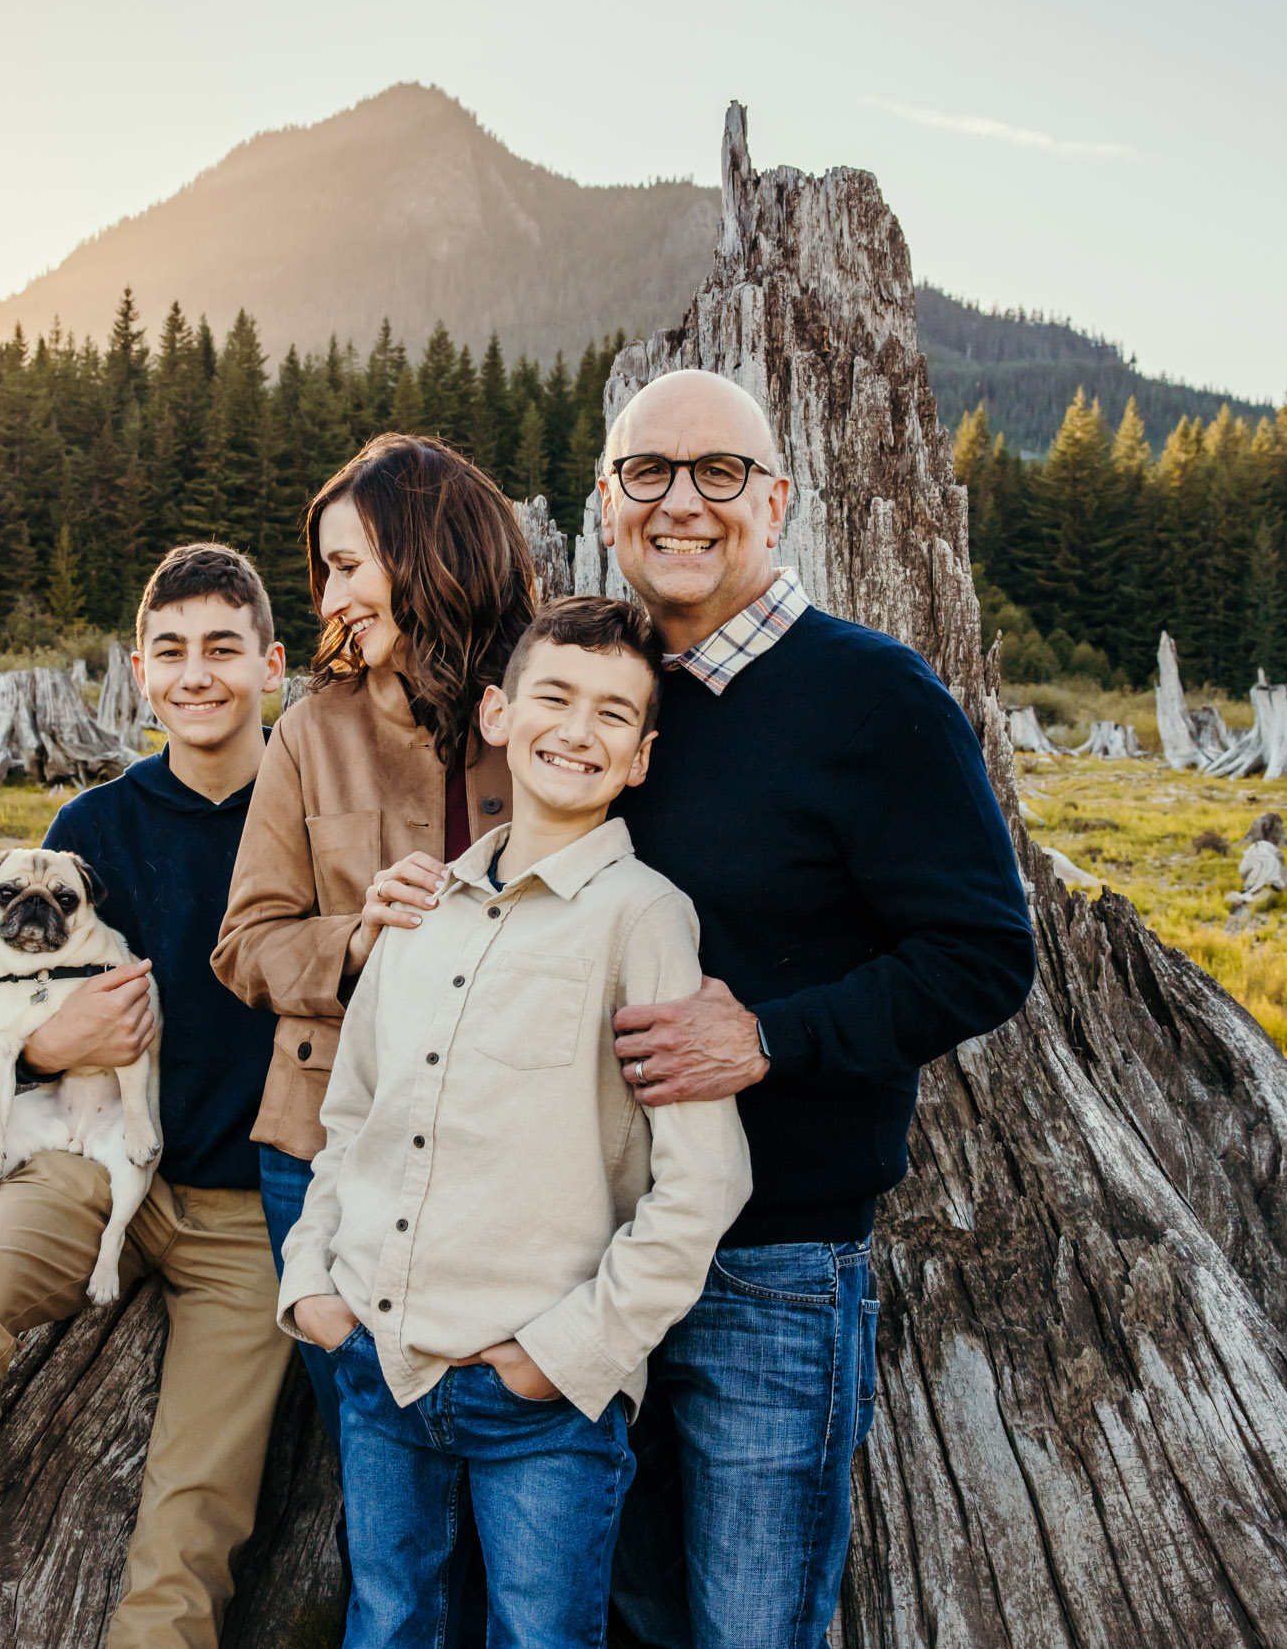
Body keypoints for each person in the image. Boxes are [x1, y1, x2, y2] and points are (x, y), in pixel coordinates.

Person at [596, 370, 1037, 1648]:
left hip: (772, 1259)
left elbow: (981, 953)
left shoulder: (873, 696)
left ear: (777, 502)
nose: (682, 501)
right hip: (584, 1245)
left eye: (719, 472)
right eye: (648, 472)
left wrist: (770, 1036)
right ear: (607, 504)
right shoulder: (600, 699)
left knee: (750, 1623)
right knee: (620, 1612)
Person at [0, 544, 295, 1649]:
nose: (197, 675)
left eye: (223, 650)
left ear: (272, 666)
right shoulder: (90, 829)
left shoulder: (310, 809)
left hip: (247, 1207)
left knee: (194, 1509)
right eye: (173, 652)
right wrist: (50, 1043)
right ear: (139, 671)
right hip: (85, 1169)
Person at [277, 594, 752, 1649]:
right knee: (387, 1621)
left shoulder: (644, 919)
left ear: (640, 758)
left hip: (539, 1400)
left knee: (539, 1636)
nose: (576, 731)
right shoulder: (418, 907)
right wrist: (312, 1279)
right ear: (496, 713)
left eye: (612, 716)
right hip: (382, 1366)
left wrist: (571, 1351)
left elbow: (704, 1180)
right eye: (554, 698)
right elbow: (351, 1119)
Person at [212, 432, 534, 1446]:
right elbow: (246, 944)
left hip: (512, 1157)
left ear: (428, 554)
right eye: (324, 573)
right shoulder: (312, 730)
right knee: (380, 1483)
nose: (330, 599)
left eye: (347, 566)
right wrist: (359, 940)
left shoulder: (543, 714)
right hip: (324, 1149)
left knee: (523, 1463)